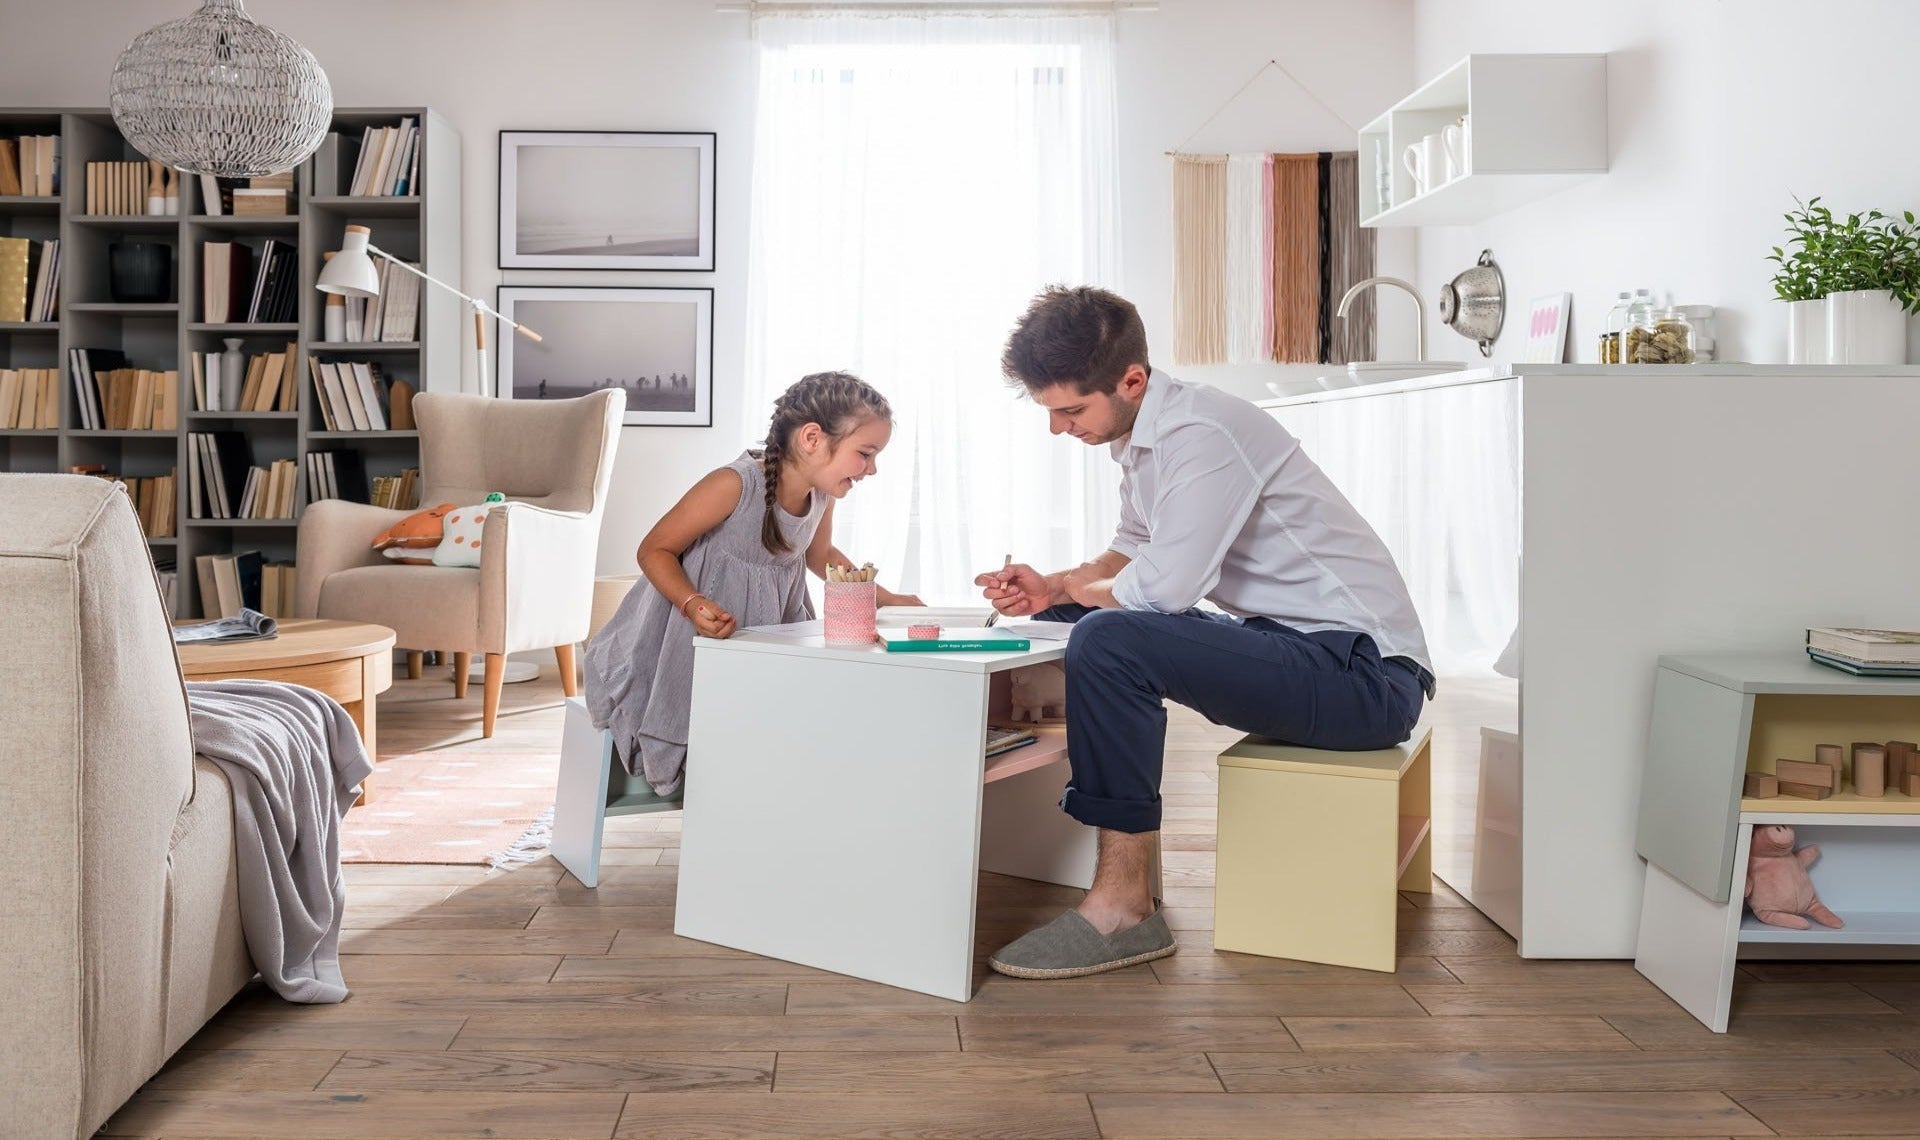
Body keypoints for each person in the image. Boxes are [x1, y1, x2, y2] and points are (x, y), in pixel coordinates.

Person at [977, 286, 1433, 979]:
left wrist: (1080, 589)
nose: (1059, 429)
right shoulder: (1143, 440)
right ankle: (1081, 846)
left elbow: (1162, 588)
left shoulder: (1202, 432)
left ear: (1131, 380)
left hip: (1365, 678)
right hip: (1301, 649)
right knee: (1076, 617)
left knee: (1109, 637)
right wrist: (1057, 588)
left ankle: (1123, 905)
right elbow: (1128, 552)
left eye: (1070, 410)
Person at [585, 371, 919, 797]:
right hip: (683, 634)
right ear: (812, 438)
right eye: (866, 453)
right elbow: (654, 549)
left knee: (780, 720)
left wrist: (887, 598)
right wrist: (692, 602)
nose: (872, 469)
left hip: (765, 632)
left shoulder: (821, 495)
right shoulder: (734, 484)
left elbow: (820, 556)